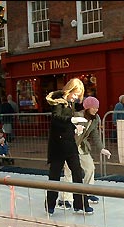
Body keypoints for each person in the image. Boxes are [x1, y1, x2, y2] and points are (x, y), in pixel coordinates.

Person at [45, 77, 92, 216]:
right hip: (58, 145)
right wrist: (72, 120)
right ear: (70, 90)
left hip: (69, 144)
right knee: (54, 176)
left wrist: (75, 128)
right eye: (76, 94)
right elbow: (56, 119)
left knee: (78, 173)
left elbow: (66, 124)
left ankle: (80, 204)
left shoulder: (70, 103)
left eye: (78, 95)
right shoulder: (58, 102)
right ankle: (50, 204)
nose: (77, 98)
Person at [57, 96, 111, 209]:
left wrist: (101, 148)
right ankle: (64, 199)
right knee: (69, 173)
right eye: (94, 107)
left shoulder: (95, 119)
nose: (96, 109)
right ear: (87, 107)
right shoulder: (78, 116)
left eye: (97, 107)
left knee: (90, 168)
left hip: (82, 148)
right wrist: (76, 131)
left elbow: (94, 134)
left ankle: (87, 192)